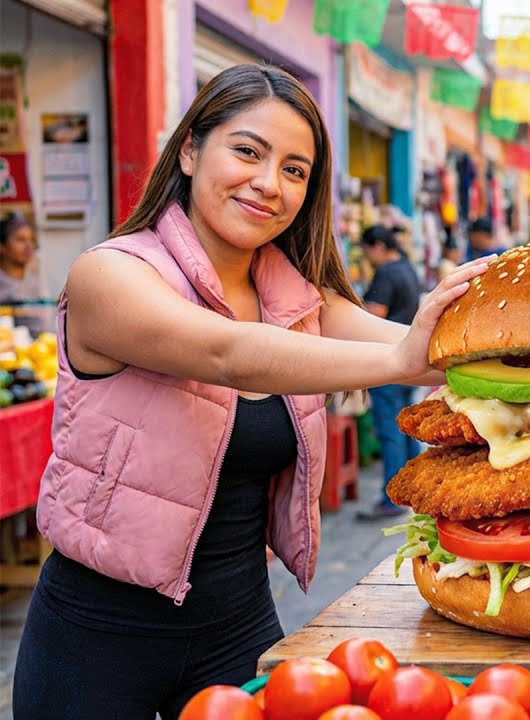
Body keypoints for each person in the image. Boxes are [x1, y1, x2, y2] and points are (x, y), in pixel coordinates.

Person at [12, 64, 488, 719]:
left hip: (241, 624)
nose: (269, 183)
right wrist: (404, 360)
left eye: (295, 170)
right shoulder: (109, 276)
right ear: (189, 149)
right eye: (247, 151)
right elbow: (229, 354)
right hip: (97, 635)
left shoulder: (296, 297)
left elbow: (420, 350)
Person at [357, 225, 424, 520]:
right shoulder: (407, 268)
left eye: (367, 250)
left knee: (390, 431)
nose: (367, 257)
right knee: (408, 428)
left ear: (378, 247)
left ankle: (392, 497)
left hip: (388, 360)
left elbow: (374, 315)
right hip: (409, 358)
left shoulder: (385, 273)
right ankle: (414, 488)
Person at [0, 211, 50, 335]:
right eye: (20, 240)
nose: (28, 246)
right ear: (2, 246)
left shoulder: (35, 280)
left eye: (31, 240)